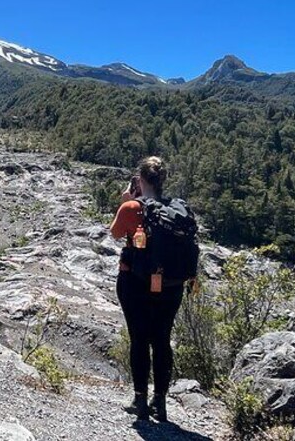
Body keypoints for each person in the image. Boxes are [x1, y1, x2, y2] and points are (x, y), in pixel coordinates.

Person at [110, 156, 185, 422]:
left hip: (136, 282)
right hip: (172, 286)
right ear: (163, 180)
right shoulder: (177, 209)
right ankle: (160, 403)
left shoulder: (131, 207)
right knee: (162, 340)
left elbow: (116, 233)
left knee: (139, 340)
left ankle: (140, 403)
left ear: (140, 180)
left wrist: (125, 202)